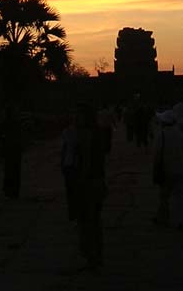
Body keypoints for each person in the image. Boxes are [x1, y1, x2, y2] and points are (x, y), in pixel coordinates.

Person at [75, 102, 107, 270]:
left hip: (88, 182)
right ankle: (96, 254)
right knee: (94, 219)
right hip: (98, 181)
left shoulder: (86, 135)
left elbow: (86, 162)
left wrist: (80, 179)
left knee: (87, 220)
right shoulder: (98, 133)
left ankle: (90, 254)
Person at [152, 108, 183, 230]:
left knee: (164, 196)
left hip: (167, 170)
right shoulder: (180, 134)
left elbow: (157, 156)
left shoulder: (161, 135)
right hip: (181, 169)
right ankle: (182, 221)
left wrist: (155, 171)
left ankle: (162, 218)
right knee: (181, 198)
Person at [60, 109, 80, 221]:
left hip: (72, 164)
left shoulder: (69, 132)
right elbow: (63, 149)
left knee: (72, 191)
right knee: (72, 191)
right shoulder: (69, 132)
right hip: (71, 164)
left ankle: (73, 213)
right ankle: (74, 213)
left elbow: (63, 149)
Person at [1, 105, 22, 199]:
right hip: (12, 149)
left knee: (11, 170)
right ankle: (13, 191)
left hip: (12, 149)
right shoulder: (12, 124)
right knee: (13, 171)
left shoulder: (9, 123)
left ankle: (11, 190)